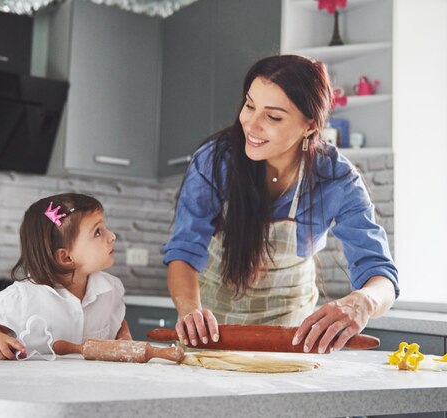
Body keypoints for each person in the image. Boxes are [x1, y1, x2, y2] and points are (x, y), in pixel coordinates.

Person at [163, 55, 399, 354]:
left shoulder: (336, 178)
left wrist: (362, 302)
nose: (251, 124)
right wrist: (189, 311)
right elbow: (184, 250)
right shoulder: (215, 160)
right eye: (249, 106)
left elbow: (380, 274)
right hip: (213, 333)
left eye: (273, 117)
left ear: (309, 127)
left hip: (292, 336)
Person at [0, 193, 131, 360]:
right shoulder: (24, 296)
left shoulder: (111, 288)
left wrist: (123, 336)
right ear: (66, 257)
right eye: (98, 232)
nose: (112, 236)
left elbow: (115, 319)